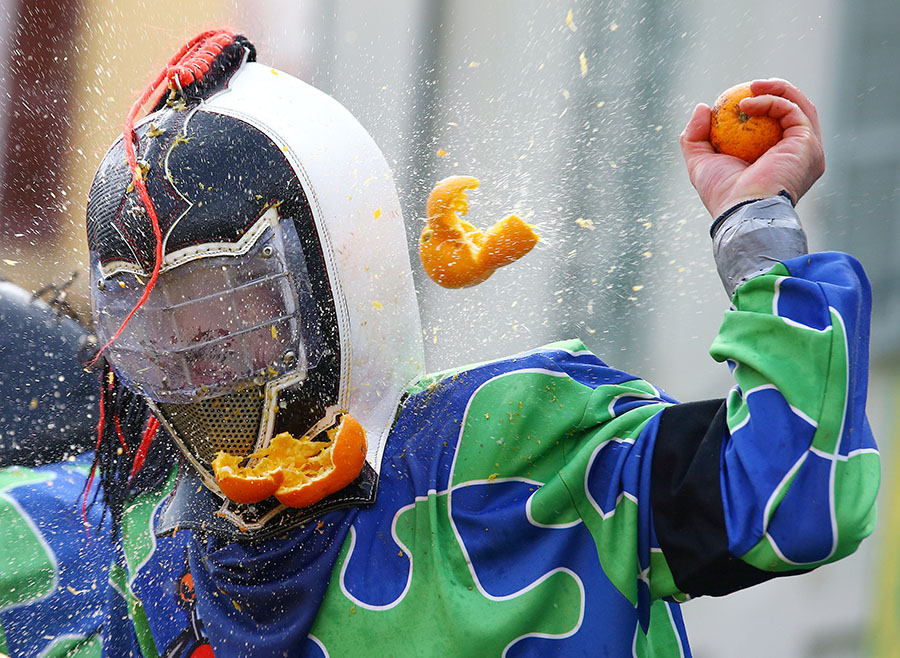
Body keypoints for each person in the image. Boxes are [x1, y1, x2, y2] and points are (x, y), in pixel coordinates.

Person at [0, 30, 878, 658]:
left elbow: (795, 497)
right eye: (157, 321)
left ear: (335, 274)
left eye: (228, 307)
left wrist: (755, 230)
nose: (198, 363)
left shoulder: (520, 450)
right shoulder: (141, 543)